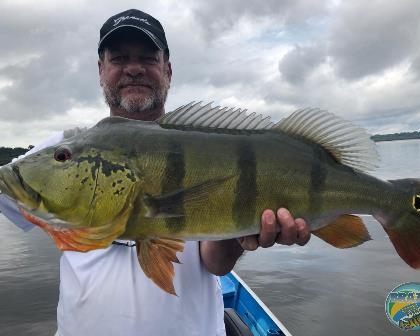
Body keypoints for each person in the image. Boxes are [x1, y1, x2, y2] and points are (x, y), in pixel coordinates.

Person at [0, 9, 310, 336]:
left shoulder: (207, 146)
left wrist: (242, 234)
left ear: (168, 70)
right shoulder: (66, 147)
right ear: (101, 70)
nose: (134, 69)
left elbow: (216, 263)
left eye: (148, 58)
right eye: (119, 58)